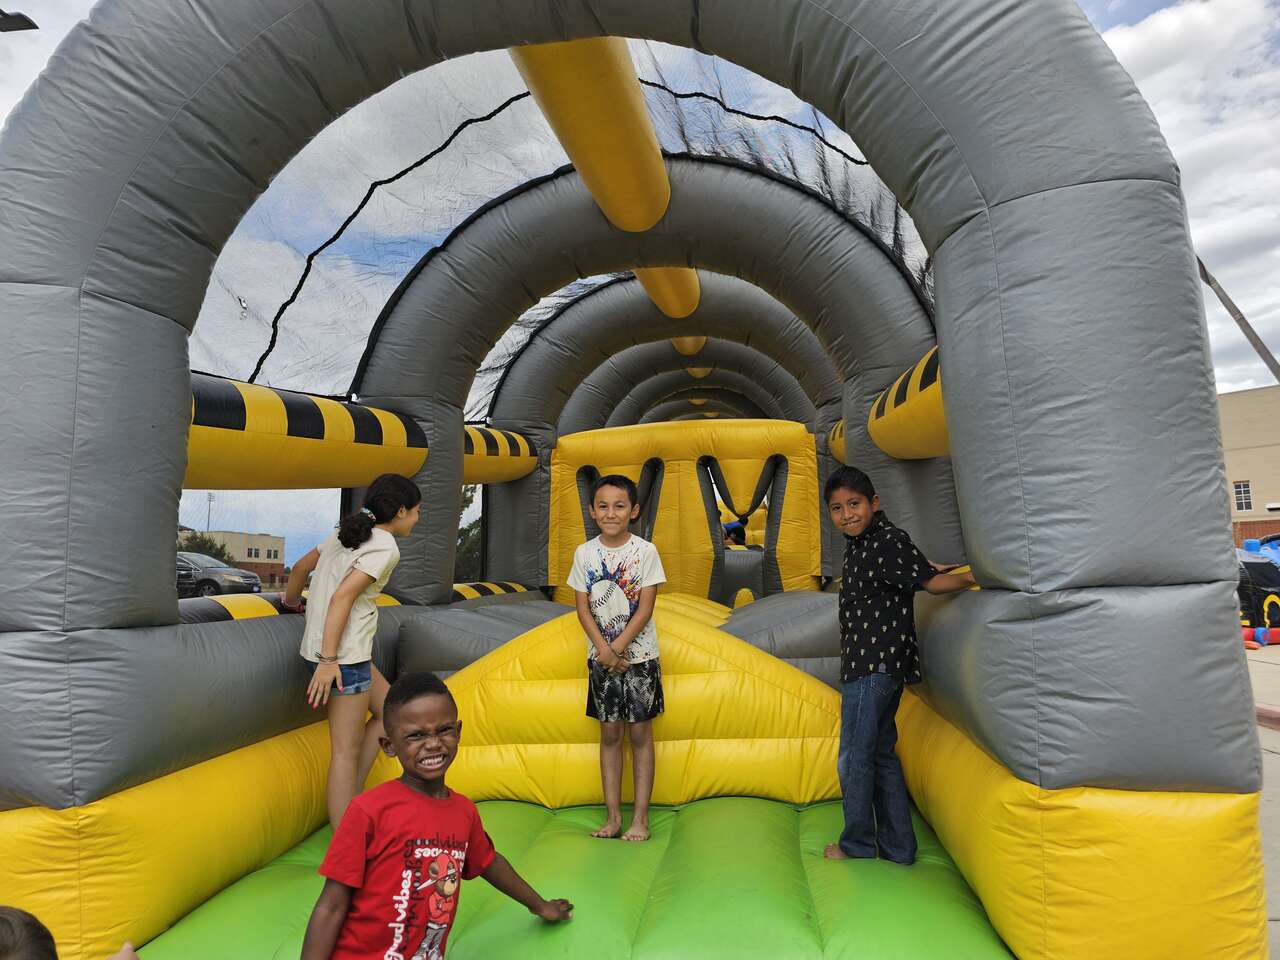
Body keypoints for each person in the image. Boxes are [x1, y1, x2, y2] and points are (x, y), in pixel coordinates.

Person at [299, 672, 572, 960]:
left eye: (443, 730)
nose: (433, 744)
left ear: (459, 731)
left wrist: (541, 906)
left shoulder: (463, 812)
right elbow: (331, 906)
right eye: (416, 735)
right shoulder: (369, 810)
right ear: (389, 745)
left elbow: (490, 863)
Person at [821, 465, 974, 865]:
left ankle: (856, 844)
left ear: (874, 503)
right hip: (876, 665)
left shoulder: (885, 540)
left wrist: (975, 576)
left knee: (854, 757)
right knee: (881, 753)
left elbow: (929, 584)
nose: (847, 514)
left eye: (854, 504)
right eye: (837, 508)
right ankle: (899, 847)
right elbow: (914, 570)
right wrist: (929, 567)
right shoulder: (867, 542)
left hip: (872, 667)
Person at [283, 473, 422, 829]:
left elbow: (299, 568)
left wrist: (291, 603)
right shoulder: (385, 546)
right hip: (341, 659)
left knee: (390, 711)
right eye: (417, 511)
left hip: (327, 652)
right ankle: (347, 839)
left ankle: (350, 801)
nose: (418, 518)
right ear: (401, 511)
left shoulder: (347, 533)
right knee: (345, 752)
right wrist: (329, 660)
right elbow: (343, 596)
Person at [568, 474, 667, 842]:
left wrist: (619, 649)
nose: (611, 513)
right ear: (593, 511)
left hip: (640, 658)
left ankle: (640, 818)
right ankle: (612, 818)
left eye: (619, 506)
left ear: (634, 511)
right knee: (610, 733)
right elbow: (583, 609)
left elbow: (645, 608)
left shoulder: (645, 552)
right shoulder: (584, 553)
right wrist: (605, 652)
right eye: (603, 506)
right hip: (601, 658)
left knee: (640, 733)